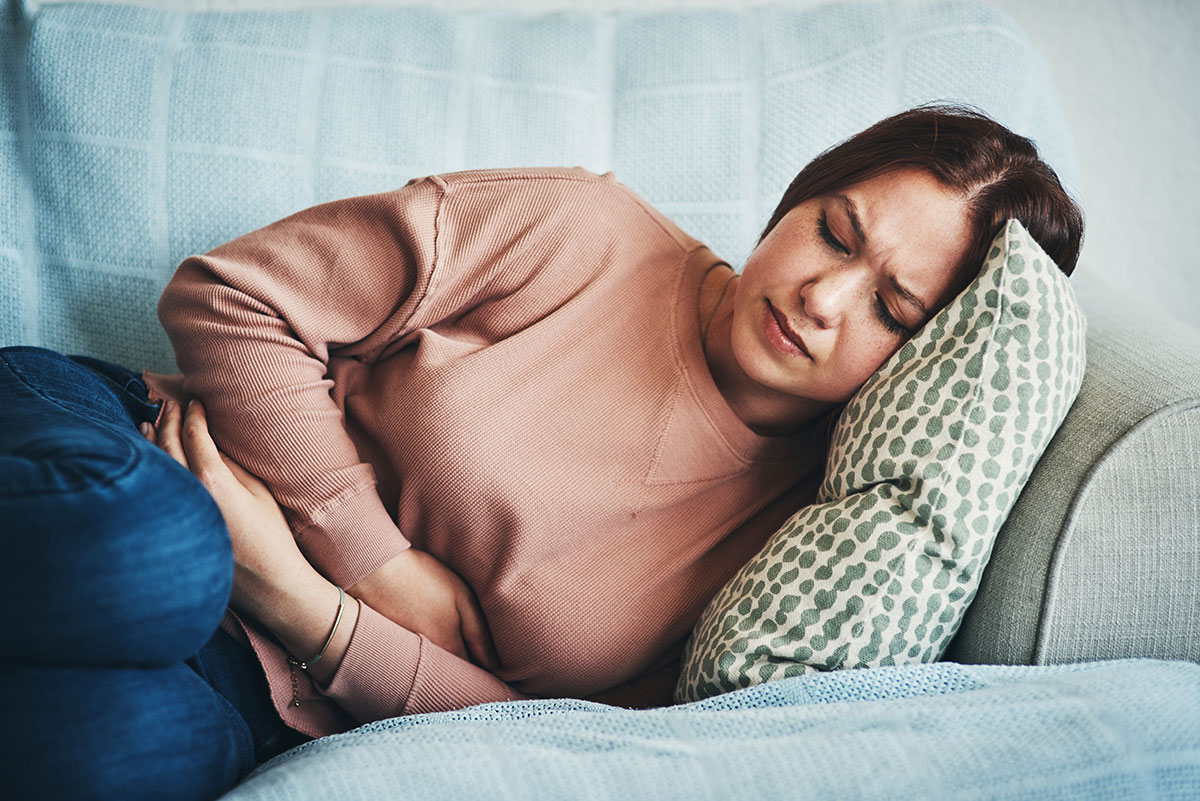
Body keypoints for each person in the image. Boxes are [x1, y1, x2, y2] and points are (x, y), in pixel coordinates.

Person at [1, 102, 1084, 801]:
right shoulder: (585, 231)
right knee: (156, 563)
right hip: (140, 461)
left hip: (257, 692)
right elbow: (231, 298)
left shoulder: (798, 547)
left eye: (892, 308)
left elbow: (577, 741)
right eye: (834, 231)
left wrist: (307, 607)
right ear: (796, 198)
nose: (823, 295)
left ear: (927, 362)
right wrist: (377, 561)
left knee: (108, 754)